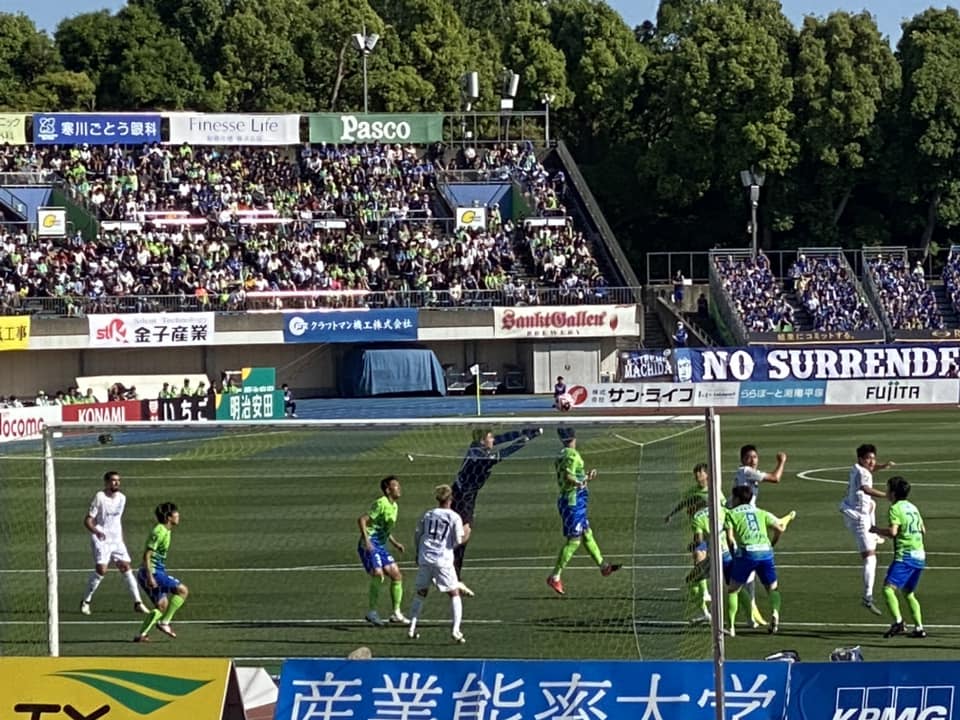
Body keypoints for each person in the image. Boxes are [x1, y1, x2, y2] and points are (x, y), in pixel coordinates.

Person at [451, 426, 542, 590]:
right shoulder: (480, 456)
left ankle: (455, 573)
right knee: (464, 534)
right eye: (490, 437)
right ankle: (444, 560)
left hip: (467, 495)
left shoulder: (476, 446)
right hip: (462, 495)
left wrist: (523, 431)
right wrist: (525, 440)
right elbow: (503, 454)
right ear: (482, 441)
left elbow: (502, 438)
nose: (493, 440)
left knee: (465, 534)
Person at [546, 428, 621, 595]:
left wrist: (585, 477)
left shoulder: (562, 454)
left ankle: (604, 566)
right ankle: (555, 576)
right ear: (574, 436)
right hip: (573, 501)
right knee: (574, 540)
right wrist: (582, 481)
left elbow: (572, 476)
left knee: (586, 532)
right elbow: (568, 477)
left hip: (573, 500)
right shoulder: (571, 455)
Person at [733, 445, 790, 628]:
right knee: (756, 584)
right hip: (742, 521)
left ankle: (747, 617)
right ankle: (755, 615)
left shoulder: (748, 474)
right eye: (749, 457)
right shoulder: (746, 471)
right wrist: (781, 462)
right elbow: (776, 478)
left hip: (748, 521)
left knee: (741, 582)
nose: (753, 460)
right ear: (742, 460)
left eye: (755, 457)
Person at [80, 471, 150, 616]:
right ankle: (86, 601)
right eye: (113, 480)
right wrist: (96, 531)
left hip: (116, 539)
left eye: (118, 480)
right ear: (106, 482)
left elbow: (117, 521)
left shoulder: (122, 498)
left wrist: (121, 539)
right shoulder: (99, 497)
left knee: (125, 566)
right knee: (102, 570)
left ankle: (138, 602)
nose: (116, 483)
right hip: (102, 537)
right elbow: (88, 520)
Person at [407, 484, 470, 644]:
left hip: (425, 557)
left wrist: (417, 553)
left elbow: (417, 535)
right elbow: (457, 540)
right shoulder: (454, 517)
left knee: (421, 593)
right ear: (451, 499)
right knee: (454, 593)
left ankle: (412, 628)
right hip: (442, 560)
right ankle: (456, 630)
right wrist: (465, 536)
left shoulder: (428, 514)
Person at [840, 443, 895, 615]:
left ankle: (874, 532)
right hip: (858, 518)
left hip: (856, 511)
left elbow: (871, 470)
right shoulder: (862, 472)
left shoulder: (859, 468)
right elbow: (865, 488)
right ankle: (867, 597)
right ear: (860, 459)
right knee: (871, 559)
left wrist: (882, 466)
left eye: (873, 458)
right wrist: (886, 495)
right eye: (868, 459)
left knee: (871, 504)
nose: (871, 462)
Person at [724, 485, 786, 636]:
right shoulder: (761, 512)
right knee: (772, 588)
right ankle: (775, 614)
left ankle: (731, 627)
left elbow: (730, 539)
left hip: (747, 553)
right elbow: (780, 528)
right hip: (765, 552)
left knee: (733, 589)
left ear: (737, 498)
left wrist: (734, 555)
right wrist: (773, 543)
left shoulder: (731, 514)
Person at [871, 476, 927, 639]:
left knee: (888, 589)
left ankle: (898, 622)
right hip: (920, 555)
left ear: (893, 493)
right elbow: (923, 530)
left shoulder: (895, 508)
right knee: (908, 593)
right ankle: (919, 628)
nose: (886, 492)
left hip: (906, 556)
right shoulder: (913, 507)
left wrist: (876, 530)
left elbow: (893, 532)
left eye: (888, 489)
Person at [357, 475, 409, 626]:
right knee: (378, 574)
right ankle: (372, 612)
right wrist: (366, 541)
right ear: (388, 490)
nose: (399, 488)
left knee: (396, 575)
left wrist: (395, 543)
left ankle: (396, 613)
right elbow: (362, 520)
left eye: (399, 485)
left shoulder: (394, 506)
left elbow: (383, 529)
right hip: (370, 544)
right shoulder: (381, 503)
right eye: (395, 486)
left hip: (380, 546)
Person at [134, 502, 189, 642]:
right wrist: (150, 577)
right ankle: (164, 623)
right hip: (152, 573)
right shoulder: (159, 531)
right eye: (176, 513)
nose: (178, 515)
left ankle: (142, 635)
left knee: (162, 605)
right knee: (182, 591)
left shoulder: (166, 530)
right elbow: (147, 555)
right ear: (169, 517)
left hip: (152, 572)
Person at [687, 496, 732, 624]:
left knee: (691, 580)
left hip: (713, 557)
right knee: (734, 586)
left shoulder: (698, 517)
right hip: (728, 553)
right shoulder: (723, 510)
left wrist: (692, 546)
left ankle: (706, 613)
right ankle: (746, 620)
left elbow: (699, 542)